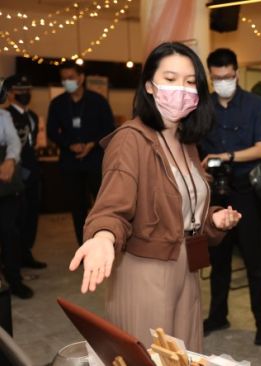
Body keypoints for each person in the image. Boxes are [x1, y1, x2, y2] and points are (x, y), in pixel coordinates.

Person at [68, 42, 241, 352]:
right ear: (149, 85)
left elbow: (180, 203)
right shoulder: (131, 140)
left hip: (188, 266)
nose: (182, 89)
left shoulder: (187, 142)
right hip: (146, 271)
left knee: (184, 355)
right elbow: (113, 206)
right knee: (150, 355)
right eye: (171, 79)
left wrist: (212, 217)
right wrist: (103, 237)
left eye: (190, 82)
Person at [200, 48, 261, 345]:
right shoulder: (202, 106)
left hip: (245, 193)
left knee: (255, 263)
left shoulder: (255, 105)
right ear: (210, 76)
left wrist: (226, 155)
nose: (223, 81)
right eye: (217, 77)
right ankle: (218, 315)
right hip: (214, 194)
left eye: (228, 76)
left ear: (236, 73)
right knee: (218, 261)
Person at [46, 61, 115, 246]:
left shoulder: (98, 101)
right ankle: (83, 244)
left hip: (95, 161)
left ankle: (106, 241)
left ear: (81, 78)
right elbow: (51, 131)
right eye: (63, 79)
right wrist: (69, 145)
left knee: (103, 204)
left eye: (70, 78)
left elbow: (110, 128)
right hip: (70, 163)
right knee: (77, 208)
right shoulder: (57, 104)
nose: (67, 82)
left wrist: (92, 144)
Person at [5, 74, 47, 270]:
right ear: (11, 93)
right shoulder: (7, 116)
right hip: (17, 176)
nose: (25, 94)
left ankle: (26, 253)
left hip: (33, 173)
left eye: (28, 90)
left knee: (31, 217)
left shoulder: (31, 115)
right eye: (21, 91)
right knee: (17, 221)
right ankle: (14, 262)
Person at [0, 79, 33, 299]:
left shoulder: (4, 116)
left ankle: (14, 279)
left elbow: (14, 142)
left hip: (6, 184)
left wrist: (10, 161)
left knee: (9, 231)